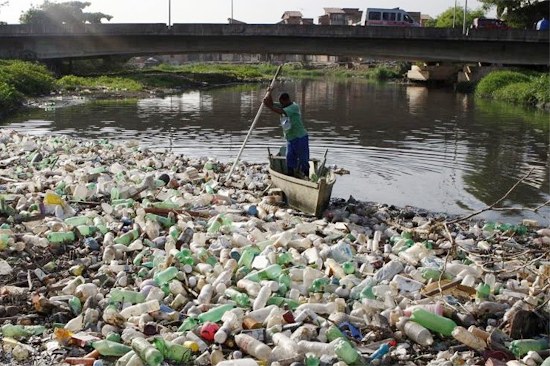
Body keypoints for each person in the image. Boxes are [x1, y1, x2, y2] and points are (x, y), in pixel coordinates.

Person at [263, 90, 309, 178]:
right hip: (290, 138)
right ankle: (290, 175)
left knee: (303, 159)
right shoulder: (284, 105)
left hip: (300, 137)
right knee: (289, 157)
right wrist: (269, 92)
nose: (281, 104)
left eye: (282, 103)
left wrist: (269, 106)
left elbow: (278, 110)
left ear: (286, 100)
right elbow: (271, 103)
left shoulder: (293, 107)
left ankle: (307, 175)